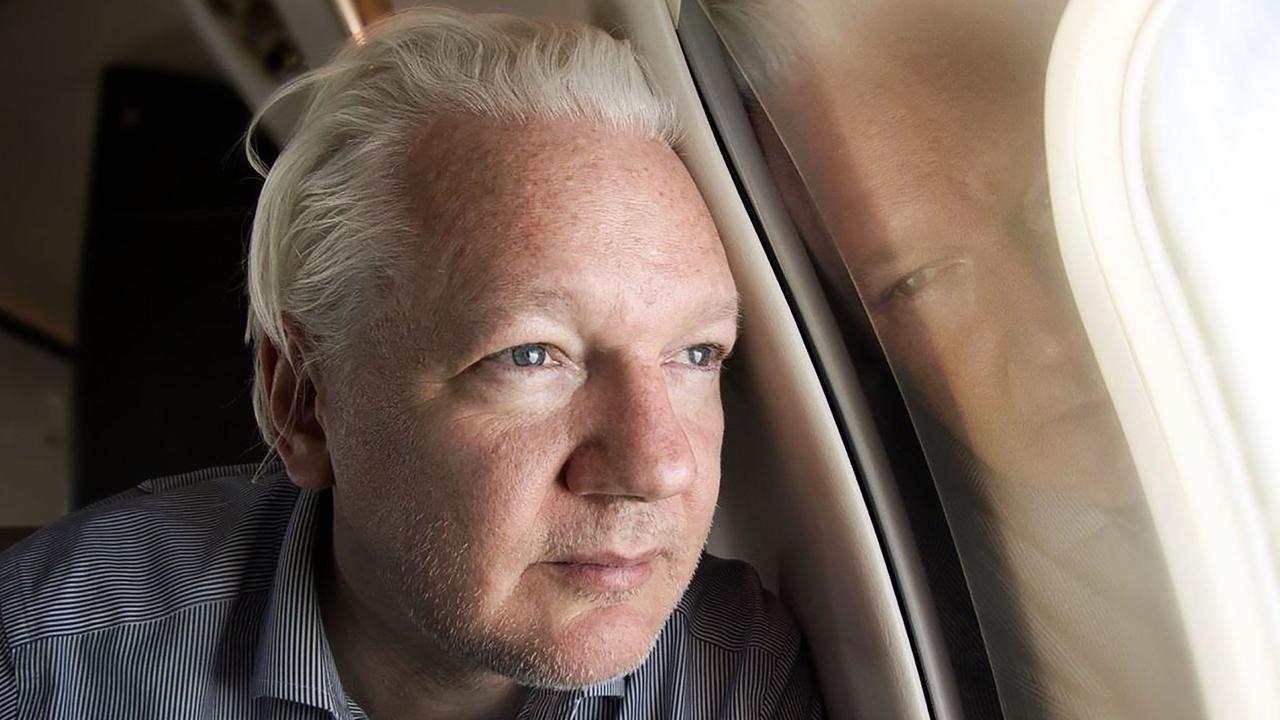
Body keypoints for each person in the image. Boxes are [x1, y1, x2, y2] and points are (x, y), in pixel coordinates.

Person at [0, 8, 823, 719]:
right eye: (530, 356)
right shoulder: (43, 663)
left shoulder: (742, 677)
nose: (658, 466)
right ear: (305, 404)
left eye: (696, 353)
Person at [705, 0, 1200, 717]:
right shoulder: (924, 624)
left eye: (1054, 199)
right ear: (851, 333)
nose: (1053, 334)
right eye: (917, 282)